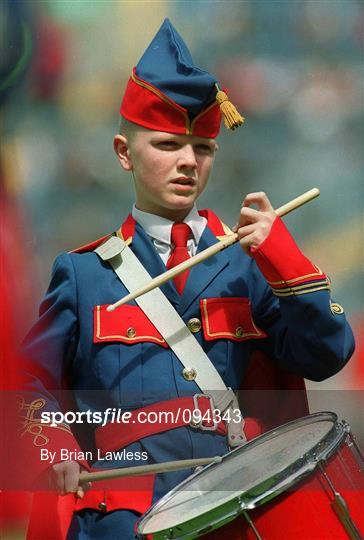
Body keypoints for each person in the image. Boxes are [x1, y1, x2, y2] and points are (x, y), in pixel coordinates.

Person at [21, 19, 355, 540]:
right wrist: (57, 444)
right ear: (123, 152)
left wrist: (282, 256)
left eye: (201, 150)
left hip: (232, 511)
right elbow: (25, 380)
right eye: (166, 144)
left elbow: (326, 353)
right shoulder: (84, 273)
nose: (186, 163)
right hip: (124, 519)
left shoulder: (248, 263)